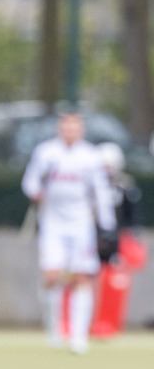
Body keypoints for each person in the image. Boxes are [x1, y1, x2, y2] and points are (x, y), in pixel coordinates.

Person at [21, 112, 117, 354]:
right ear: (60, 129)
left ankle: (78, 337)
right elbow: (30, 181)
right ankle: (55, 330)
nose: (70, 132)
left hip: (81, 224)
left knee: (81, 277)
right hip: (52, 223)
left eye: (74, 128)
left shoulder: (91, 156)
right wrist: (36, 192)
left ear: (81, 130)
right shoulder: (46, 153)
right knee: (52, 277)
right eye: (66, 128)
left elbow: (101, 193)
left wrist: (107, 225)